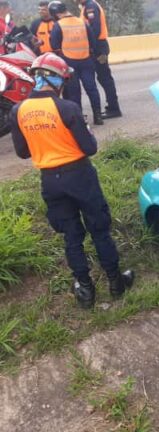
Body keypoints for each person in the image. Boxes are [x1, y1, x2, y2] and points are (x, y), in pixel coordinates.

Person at [10, 52, 134, 310]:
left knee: (71, 235)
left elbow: (22, 152)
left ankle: (85, 290)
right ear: (57, 80)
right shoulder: (67, 108)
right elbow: (90, 148)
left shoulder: (18, 110)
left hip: (50, 181)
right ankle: (115, 282)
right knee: (99, 228)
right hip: (80, 175)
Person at [48, 1, 103, 125]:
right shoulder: (82, 22)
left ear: (55, 14)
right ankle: (98, 116)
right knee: (92, 89)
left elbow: (54, 45)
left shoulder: (58, 25)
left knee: (74, 92)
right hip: (86, 60)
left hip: (69, 62)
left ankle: (79, 119)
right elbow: (92, 41)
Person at [78, 0, 121, 119]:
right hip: (98, 47)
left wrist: (90, 46)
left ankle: (114, 108)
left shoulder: (90, 6)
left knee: (105, 77)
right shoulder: (86, 6)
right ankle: (112, 107)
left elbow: (95, 29)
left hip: (99, 48)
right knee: (103, 77)